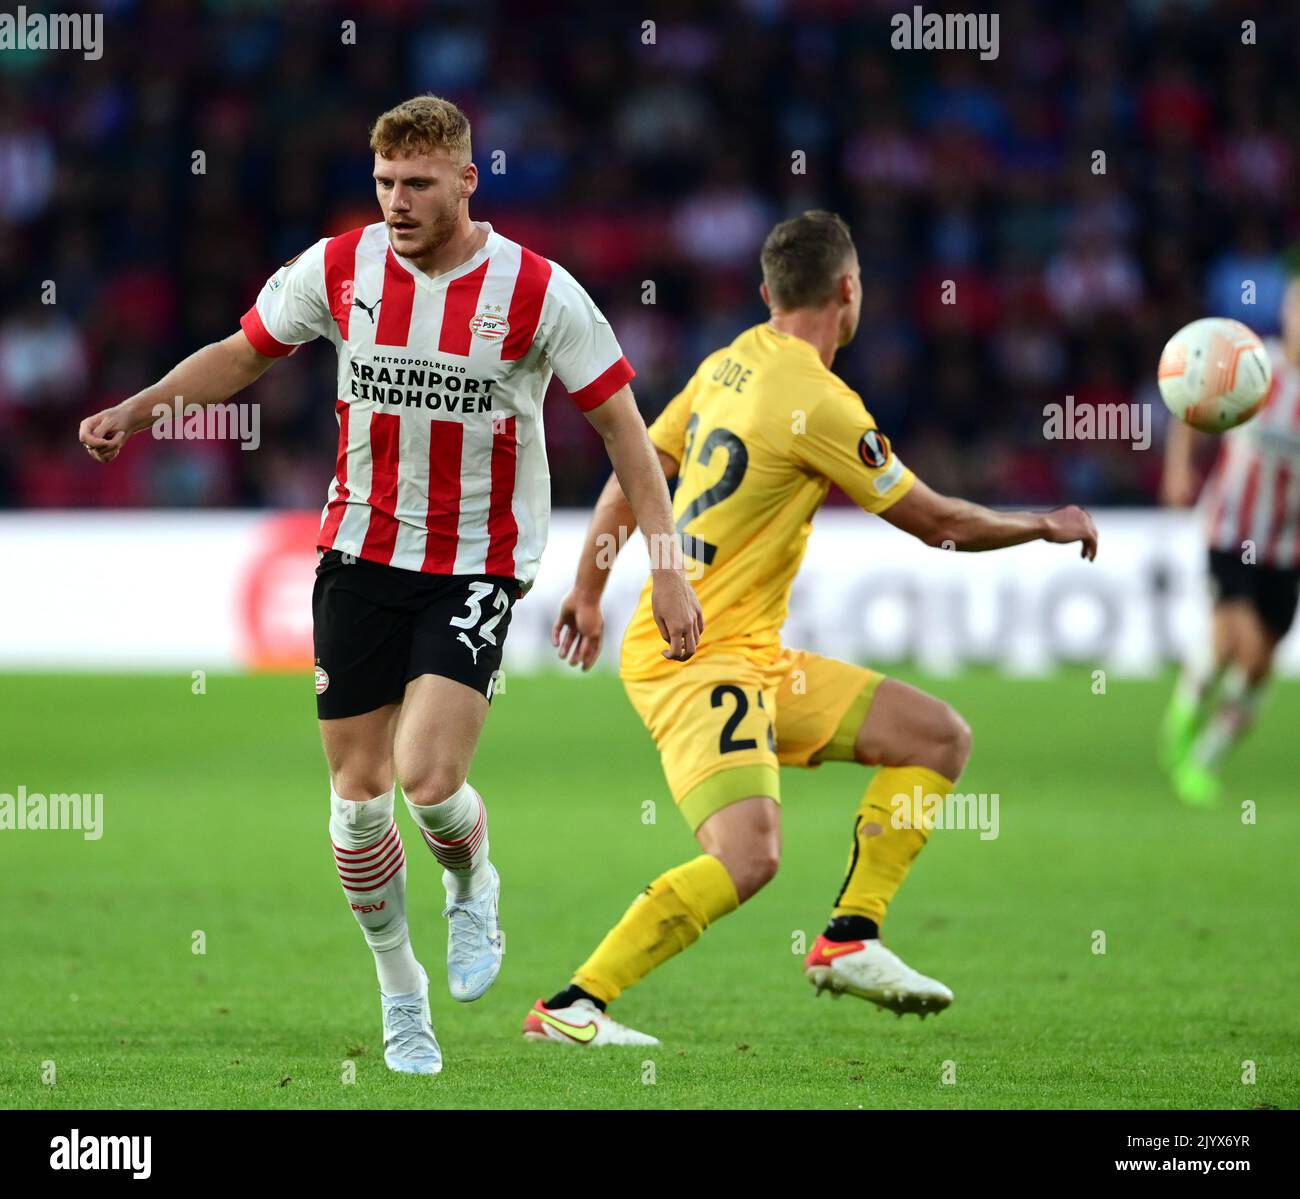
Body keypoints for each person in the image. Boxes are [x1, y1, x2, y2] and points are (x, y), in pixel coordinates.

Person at [78, 94, 702, 1074]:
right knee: (359, 799)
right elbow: (245, 352)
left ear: (466, 178)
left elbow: (625, 429)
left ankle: (471, 878)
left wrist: (663, 571)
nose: (397, 203)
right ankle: (399, 988)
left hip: (476, 563)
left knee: (429, 777)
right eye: (383, 184)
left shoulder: (538, 292)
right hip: (359, 556)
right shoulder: (341, 266)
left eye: (416, 184)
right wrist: (146, 404)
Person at [524, 211, 1098, 1046]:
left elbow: (637, 468)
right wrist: (1042, 523)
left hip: (747, 653)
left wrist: (587, 588)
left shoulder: (727, 363)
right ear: (849, 291)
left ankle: (851, 937)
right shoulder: (824, 404)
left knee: (936, 738)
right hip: (696, 654)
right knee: (749, 855)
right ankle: (575, 1003)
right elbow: (938, 522)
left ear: (766, 294)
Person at [1160, 276, 1300, 806]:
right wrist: (1178, 469)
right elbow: (1189, 396)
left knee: (1259, 665)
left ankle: (1204, 757)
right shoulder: (1250, 363)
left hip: (1289, 547)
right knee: (1235, 644)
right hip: (1231, 530)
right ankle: (1182, 721)